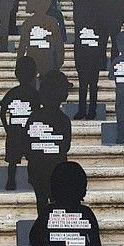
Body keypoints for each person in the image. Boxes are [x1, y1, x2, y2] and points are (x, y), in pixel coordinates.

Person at [24, 73, 74, 216]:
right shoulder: (63, 120)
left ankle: (43, 224)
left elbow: (26, 143)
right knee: (56, 203)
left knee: (41, 201)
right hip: (57, 169)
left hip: (37, 168)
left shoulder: (34, 117)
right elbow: (66, 147)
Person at [0, 56, 40, 191]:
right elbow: (38, 112)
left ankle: (11, 181)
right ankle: (30, 180)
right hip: (28, 132)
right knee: (31, 158)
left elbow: (2, 111)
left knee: (13, 160)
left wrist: (7, 128)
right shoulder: (34, 93)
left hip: (14, 131)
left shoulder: (13, 92)